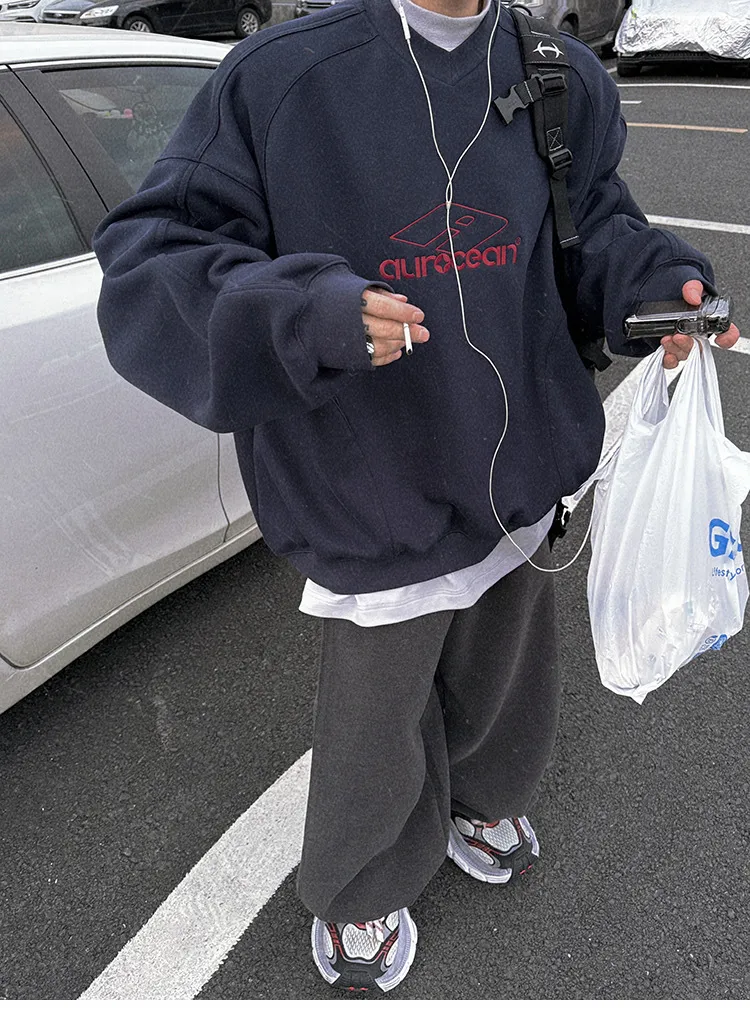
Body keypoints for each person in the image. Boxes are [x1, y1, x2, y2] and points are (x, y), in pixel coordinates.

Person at [92, 0, 740, 994]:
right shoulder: (280, 77)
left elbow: (593, 225)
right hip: (371, 477)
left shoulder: (557, 70)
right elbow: (152, 260)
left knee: (506, 665)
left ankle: (484, 796)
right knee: (377, 712)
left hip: (520, 461)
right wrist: (304, 315)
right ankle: (363, 879)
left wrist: (657, 284)